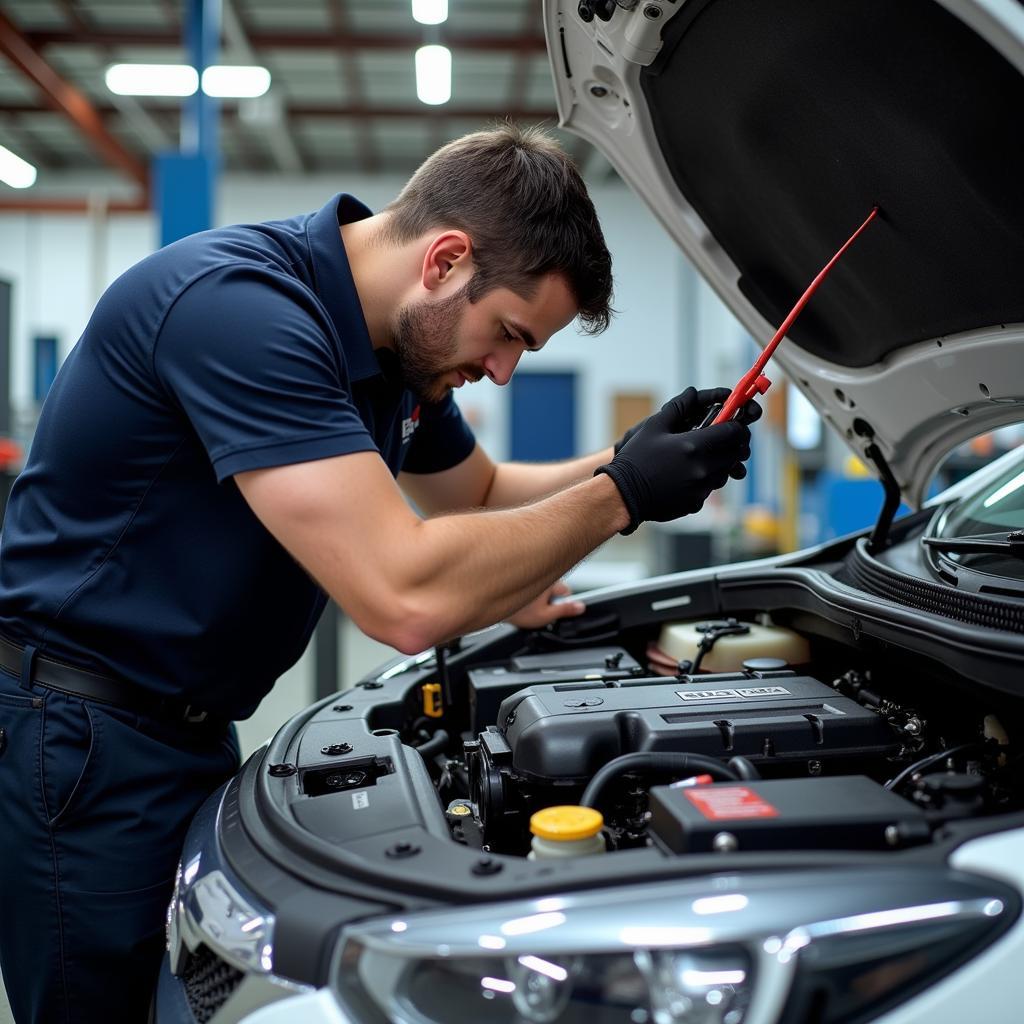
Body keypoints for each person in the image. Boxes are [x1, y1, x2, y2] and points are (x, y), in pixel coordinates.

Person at [0, 124, 754, 1022]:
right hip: (82, 738)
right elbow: (403, 596)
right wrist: (624, 495)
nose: (505, 372)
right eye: (509, 333)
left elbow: (474, 492)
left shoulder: (398, 353)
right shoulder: (243, 311)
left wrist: (630, 456)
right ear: (444, 260)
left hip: (189, 729)